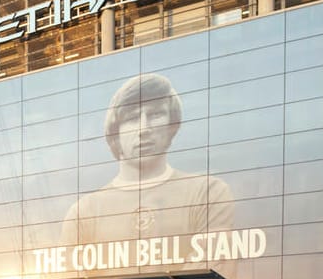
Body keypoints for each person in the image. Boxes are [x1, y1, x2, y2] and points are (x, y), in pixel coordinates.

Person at [58, 72, 234, 250]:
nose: (144, 128)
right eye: (132, 118)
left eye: (156, 115)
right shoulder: (84, 212)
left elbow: (215, 266)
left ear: (172, 126)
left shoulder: (207, 193)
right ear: (115, 132)